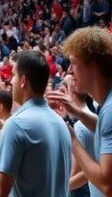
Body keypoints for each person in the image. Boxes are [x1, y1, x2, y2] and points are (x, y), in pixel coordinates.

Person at [0, 50, 71, 197]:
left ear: (23, 81)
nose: (11, 81)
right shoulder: (61, 124)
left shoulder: (16, 124)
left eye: (14, 75)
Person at [47, 27, 112, 197]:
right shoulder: (106, 106)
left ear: (91, 65)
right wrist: (78, 113)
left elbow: (107, 185)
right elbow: (103, 126)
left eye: (73, 62)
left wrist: (73, 140)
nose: (69, 70)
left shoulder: (110, 110)